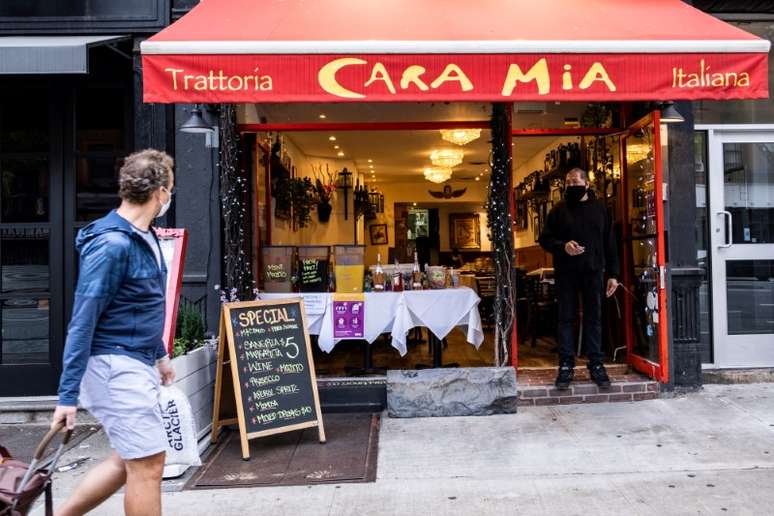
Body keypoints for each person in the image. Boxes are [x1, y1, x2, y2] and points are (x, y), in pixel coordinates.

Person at [51, 149, 176, 516]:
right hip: (113, 366)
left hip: (133, 361)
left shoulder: (144, 236)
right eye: (170, 188)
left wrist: (160, 354)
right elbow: (82, 321)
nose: (170, 195)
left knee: (128, 461)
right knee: (149, 466)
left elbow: (138, 305)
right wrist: (66, 397)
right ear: (160, 193)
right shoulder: (112, 245)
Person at [538, 167, 619, 391]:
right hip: (566, 272)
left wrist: (614, 274)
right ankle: (566, 365)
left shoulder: (601, 210)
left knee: (594, 318)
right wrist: (563, 246)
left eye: (575, 181)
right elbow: (544, 239)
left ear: (586, 184)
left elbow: (609, 243)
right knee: (565, 318)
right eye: (568, 182)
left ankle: (596, 364)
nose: (571, 186)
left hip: (594, 271)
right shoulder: (557, 210)